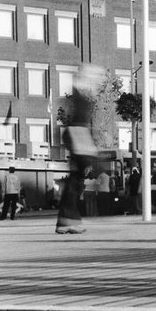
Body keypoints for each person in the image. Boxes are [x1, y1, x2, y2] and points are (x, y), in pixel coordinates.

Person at [56, 63, 102, 235]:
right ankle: (68, 220)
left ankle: (67, 220)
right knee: (76, 181)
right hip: (78, 135)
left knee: (75, 181)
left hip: (77, 135)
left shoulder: (84, 95)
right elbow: (77, 94)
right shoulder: (81, 94)